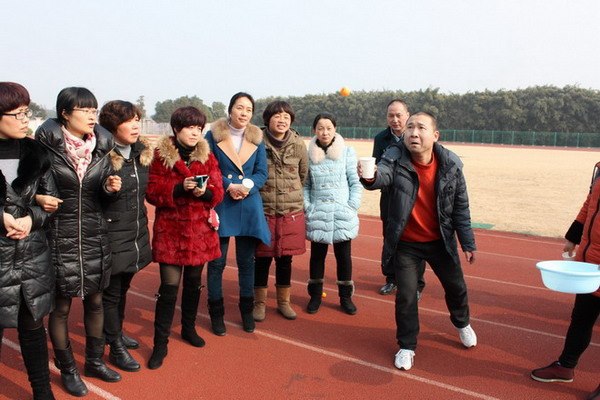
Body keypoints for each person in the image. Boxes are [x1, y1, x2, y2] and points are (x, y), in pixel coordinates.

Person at [360, 111, 477, 371]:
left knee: (456, 287)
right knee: (406, 296)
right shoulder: (394, 156)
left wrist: (467, 242)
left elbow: (461, 207)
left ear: (435, 135)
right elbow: (382, 176)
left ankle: (462, 322)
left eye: (420, 128)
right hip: (406, 244)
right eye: (410, 127)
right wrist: (370, 177)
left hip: (440, 241)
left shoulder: (451, 165)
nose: (413, 133)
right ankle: (407, 345)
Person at [35, 87, 122, 396]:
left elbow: (102, 200)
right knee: (60, 307)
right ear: (65, 113)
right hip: (59, 237)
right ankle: (68, 368)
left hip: (94, 235)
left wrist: (110, 189)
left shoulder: (101, 149)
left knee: (95, 301)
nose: (91, 116)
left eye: (93, 110)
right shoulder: (44, 150)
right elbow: (28, 190)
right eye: (84, 110)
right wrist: (39, 198)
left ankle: (95, 361)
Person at [145, 106, 224, 369]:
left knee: (193, 283)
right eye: (190, 127)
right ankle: (160, 343)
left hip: (200, 233)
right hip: (171, 232)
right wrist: (179, 188)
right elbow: (152, 192)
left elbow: (218, 190)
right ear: (177, 128)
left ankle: (188, 328)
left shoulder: (207, 156)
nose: (195, 133)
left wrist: (205, 193)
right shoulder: (161, 155)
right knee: (169, 287)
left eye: (199, 128)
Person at [0, 82, 57, 399]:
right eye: (18, 114)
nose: (25, 119)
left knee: (33, 328)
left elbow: (52, 201)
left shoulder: (38, 154)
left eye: (27, 112)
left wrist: (31, 218)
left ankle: (42, 391)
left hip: (32, 256)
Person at [530, 162, 600, 400]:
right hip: (589, 264)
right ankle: (565, 366)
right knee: (581, 319)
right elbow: (590, 204)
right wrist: (573, 237)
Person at [205, 92, 270, 335]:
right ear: (230, 109)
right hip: (222, 201)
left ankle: (246, 311)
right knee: (217, 263)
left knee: (246, 262)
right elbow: (208, 167)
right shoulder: (213, 135)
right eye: (240, 107)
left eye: (248, 109)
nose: (244, 113)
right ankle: (216, 313)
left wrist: (246, 187)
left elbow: (262, 173)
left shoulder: (257, 138)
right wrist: (228, 185)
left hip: (248, 203)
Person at [98, 100, 154, 372]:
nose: (135, 126)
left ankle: (116, 333)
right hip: (110, 233)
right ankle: (114, 346)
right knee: (110, 293)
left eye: (137, 120)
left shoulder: (141, 153)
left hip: (135, 231)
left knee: (122, 289)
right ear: (112, 126)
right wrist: (107, 189)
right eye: (128, 121)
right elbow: (89, 196)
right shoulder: (100, 155)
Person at [253, 100, 308, 322]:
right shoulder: (256, 141)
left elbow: (303, 175)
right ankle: (259, 303)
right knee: (262, 258)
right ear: (267, 119)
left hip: (290, 211)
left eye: (286, 116)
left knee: (285, 260)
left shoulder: (298, 144)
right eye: (277, 115)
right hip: (264, 210)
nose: (282, 120)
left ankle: (284, 302)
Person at [304, 112, 362, 315]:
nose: (325, 132)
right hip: (318, 212)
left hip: (342, 213)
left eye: (329, 128)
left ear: (335, 129)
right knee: (317, 257)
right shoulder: (308, 155)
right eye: (320, 128)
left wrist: (351, 206)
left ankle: (345, 297)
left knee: (343, 257)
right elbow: (305, 185)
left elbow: (355, 182)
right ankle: (315, 296)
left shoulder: (347, 152)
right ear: (314, 130)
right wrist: (308, 206)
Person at [372, 99, 426, 297]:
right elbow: (378, 167)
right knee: (390, 238)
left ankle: (417, 285)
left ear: (407, 115)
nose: (394, 120)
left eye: (398, 115)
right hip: (389, 197)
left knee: (416, 240)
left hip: (413, 199)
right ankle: (392, 279)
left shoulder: (416, 136)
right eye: (391, 116)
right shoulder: (381, 138)